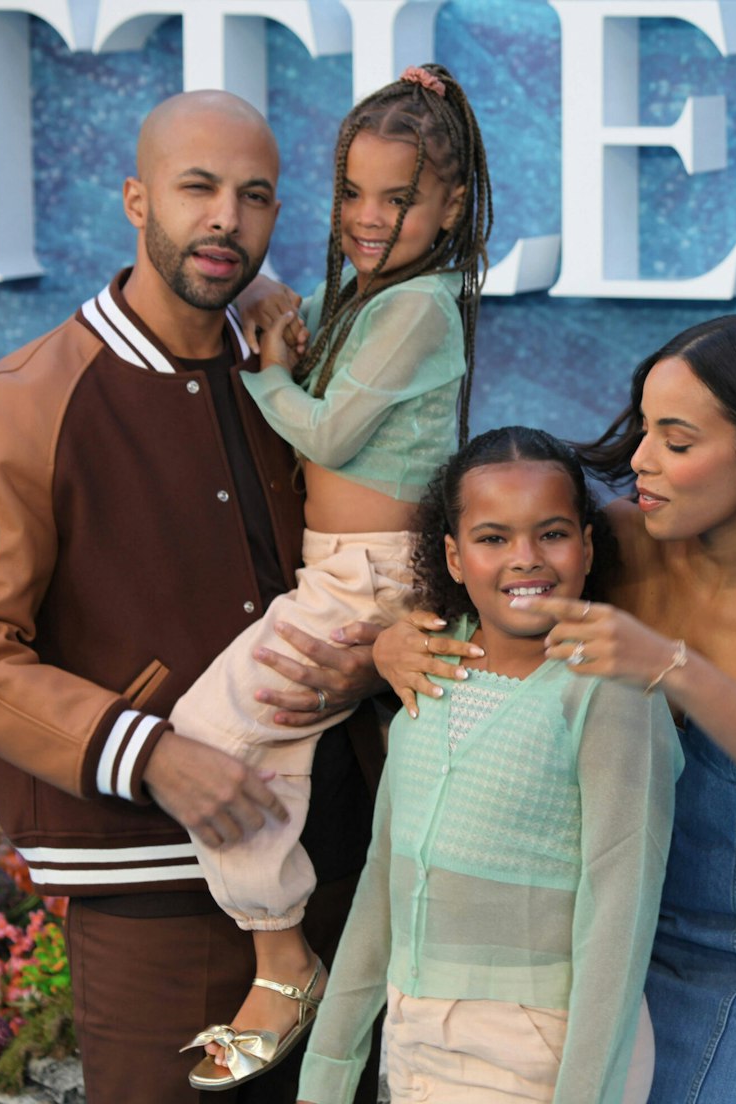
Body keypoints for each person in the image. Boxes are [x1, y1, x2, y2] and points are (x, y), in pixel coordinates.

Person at [0, 90, 386, 1104]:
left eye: (255, 197)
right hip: (158, 897)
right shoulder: (23, 405)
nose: (227, 220)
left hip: (342, 864)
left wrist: (370, 656)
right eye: (197, 188)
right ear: (136, 199)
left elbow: (362, 557)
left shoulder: (291, 376)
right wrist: (156, 754)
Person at [374, 315, 736, 1103]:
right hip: (610, 934)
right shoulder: (613, 541)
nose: (639, 461)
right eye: (643, 428)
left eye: (677, 442)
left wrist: (675, 669)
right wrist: (390, 643)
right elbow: (480, 588)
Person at [169, 64, 492, 1092]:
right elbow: (285, 309)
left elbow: (330, 428)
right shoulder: (366, 293)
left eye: (397, 199)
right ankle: (303, 960)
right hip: (335, 570)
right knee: (267, 742)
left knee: (212, 734)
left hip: (373, 579)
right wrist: (268, 301)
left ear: (452, 204)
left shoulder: (423, 309)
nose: (367, 218)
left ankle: (282, 955)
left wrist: (260, 368)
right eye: (351, 192)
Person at [294, 426, 682, 1104]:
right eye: (493, 538)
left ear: (587, 547)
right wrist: (326, 1072)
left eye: (553, 534)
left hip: (543, 1052)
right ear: (452, 555)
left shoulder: (611, 691)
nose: (525, 560)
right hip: (414, 1042)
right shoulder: (429, 670)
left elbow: (619, 913)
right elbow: (385, 876)